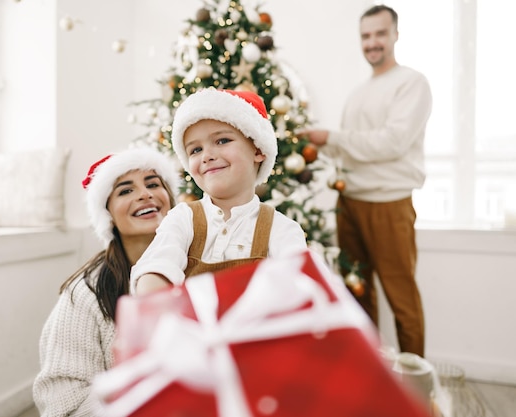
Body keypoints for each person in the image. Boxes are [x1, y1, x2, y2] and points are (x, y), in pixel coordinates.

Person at [299, 5, 432, 357]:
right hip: (350, 203)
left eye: (380, 34)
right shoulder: (360, 92)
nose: (372, 42)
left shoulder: (411, 83)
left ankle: (418, 393)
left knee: (401, 299)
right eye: (366, 36)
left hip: (389, 203)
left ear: (395, 35)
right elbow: (350, 151)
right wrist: (311, 146)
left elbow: (391, 143)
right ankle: (371, 381)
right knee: (357, 295)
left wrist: (331, 137)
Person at [32, 147, 180, 417]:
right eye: (125, 190)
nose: (144, 194)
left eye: (153, 184)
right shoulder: (85, 294)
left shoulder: (207, 263)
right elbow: (64, 400)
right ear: (108, 215)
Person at [131, 88, 308, 295]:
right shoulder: (183, 219)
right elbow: (156, 267)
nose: (207, 156)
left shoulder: (281, 229)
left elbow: (302, 286)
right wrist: (154, 296)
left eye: (222, 141)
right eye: (195, 150)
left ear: (258, 150)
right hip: (191, 326)